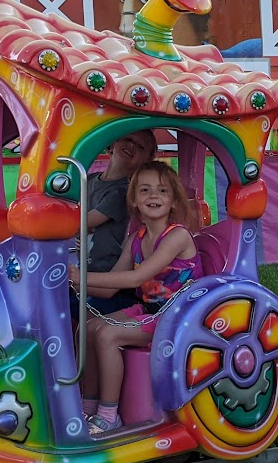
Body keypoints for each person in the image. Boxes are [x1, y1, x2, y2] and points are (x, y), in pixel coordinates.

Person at [72, 162, 200, 435]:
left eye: (162, 190)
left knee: (107, 335)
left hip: (175, 318)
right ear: (134, 200)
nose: (153, 196)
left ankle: (109, 415)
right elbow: (109, 289)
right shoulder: (135, 240)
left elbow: (135, 278)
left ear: (174, 200)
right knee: (88, 329)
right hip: (148, 311)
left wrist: (80, 276)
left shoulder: (177, 236)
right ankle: (88, 405)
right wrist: (70, 282)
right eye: (145, 190)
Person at [82, 130, 158, 314]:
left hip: (109, 275)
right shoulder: (89, 180)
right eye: (128, 139)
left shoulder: (122, 192)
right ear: (112, 144)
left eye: (140, 147)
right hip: (87, 268)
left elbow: (84, 222)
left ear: (145, 162)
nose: (132, 145)